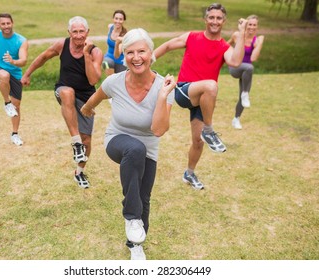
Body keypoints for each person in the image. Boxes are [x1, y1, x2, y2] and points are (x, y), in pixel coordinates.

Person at [81, 28, 176, 260]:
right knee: (135, 149)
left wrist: (162, 97)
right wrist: (86, 109)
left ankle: (135, 245)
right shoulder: (115, 82)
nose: (136, 57)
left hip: (149, 150)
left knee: (144, 197)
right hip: (117, 141)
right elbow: (97, 97)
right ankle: (131, 217)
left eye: (141, 51)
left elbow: (158, 130)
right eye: (130, 52)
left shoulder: (164, 87)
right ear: (124, 56)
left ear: (151, 53)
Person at [153, 3, 247, 190]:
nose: (214, 21)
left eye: (218, 18)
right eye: (211, 17)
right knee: (211, 85)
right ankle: (210, 130)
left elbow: (236, 61)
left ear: (223, 21)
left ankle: (189, 173)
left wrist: (242, 33)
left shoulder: (223, 47)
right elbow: (169, 45)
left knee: (198, 142)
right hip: (183, 91)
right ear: (205, 19)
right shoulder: (192, 37)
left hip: (203, 99)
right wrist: (148, 60)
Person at [21, 16, 103, 188]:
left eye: (82, 31)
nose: (79, 35)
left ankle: (79, 172)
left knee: (87, 140)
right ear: (69, 33)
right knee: (67, 92)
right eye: (75, 31)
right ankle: (76, 143)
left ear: (88, 32)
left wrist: (86, 54)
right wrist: (27, 74)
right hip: (64, 90)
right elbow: (43, 57)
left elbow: (93, 79)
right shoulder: (62, 45)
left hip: (86, 97)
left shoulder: (95, 52)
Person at [0, 13, 29, 146]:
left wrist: (13, 61)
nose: (6, 26)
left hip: (15, 73)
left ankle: (15, 134)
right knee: (4, 76)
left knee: (17, 107)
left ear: (12, 23)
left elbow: (23, 60)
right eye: (3, 24)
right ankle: (6, 103)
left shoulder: (21, 40)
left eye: (8, 23)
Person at [228, 15, 264, 130]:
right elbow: (225, 46)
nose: (252, 27)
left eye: (254, 25)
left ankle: (236, 119)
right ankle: (245, 93)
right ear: (246, 25)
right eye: (250, 24)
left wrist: (260, 43)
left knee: (243, 98)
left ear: (257, 27)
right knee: (250, 68)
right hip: (234, 67)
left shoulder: (256, 40)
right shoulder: (237, 35)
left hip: (246, 71)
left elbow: (253, 58)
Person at [102, 10, 127, 76]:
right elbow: (109, 25)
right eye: (116, 18)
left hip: (120, 61)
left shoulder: (124, 36)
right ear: (113, 19)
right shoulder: (111, 27)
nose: (118, 21)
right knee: (108, 63)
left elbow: (117, 56)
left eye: (120, 19)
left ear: (123, 20)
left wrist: (117, 43)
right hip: (108, 57)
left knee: (119, 82)